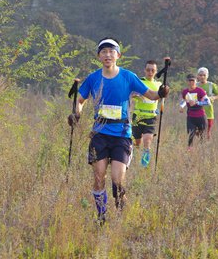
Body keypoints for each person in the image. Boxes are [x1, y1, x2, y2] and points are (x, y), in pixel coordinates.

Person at [67, 37, 169, 225]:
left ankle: (121, 207)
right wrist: (76, 115)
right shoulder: (93, 78)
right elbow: (80, 101)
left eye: (111, 51)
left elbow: (151, 94)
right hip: (99, 134)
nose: (107, 55)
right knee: (98, 178)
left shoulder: (128, 77)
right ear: (99, 56)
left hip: (121, 134)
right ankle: (101, 215)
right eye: (104, 51)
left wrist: (161, 93)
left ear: (118, 55)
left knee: (117, 181)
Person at [131, 60, 162, 167]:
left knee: (147, 140)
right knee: (137, 142)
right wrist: (136, 95)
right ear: (144, 70)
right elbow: (131, 93)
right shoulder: (139, 82)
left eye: (152, 70)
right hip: (138, 116)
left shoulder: (159, 84)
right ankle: (133, 160)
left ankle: (144, 165)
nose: (150, 72)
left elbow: (163, 96)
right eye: (148, 70)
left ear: (156, 71)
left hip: (151, 117)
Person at [179, 73, 211, 150]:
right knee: (190, 135)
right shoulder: (185, 91)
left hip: (200, 116)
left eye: (193, 81)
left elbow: (207, 102)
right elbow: (183, 100)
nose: (191, 83)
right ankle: (190, 152)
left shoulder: (200, 91)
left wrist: (197, 102)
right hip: (190, 116)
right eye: (189, 81)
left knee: (202, 136)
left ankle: (202, 152)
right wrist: (181, 106)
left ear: (196, 81)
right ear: (187, 81)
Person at [196, 67, 218, 139]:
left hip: (208, 112)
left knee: (207, 133)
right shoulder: (195, 85)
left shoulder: (212, 85)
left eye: (204, 75)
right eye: (200, 75)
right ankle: (198, 146)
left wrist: (212, 98)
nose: (202, 77)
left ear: (207, 76)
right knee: (197, 132)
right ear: (197, 76)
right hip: (197, 112)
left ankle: (207, 147)